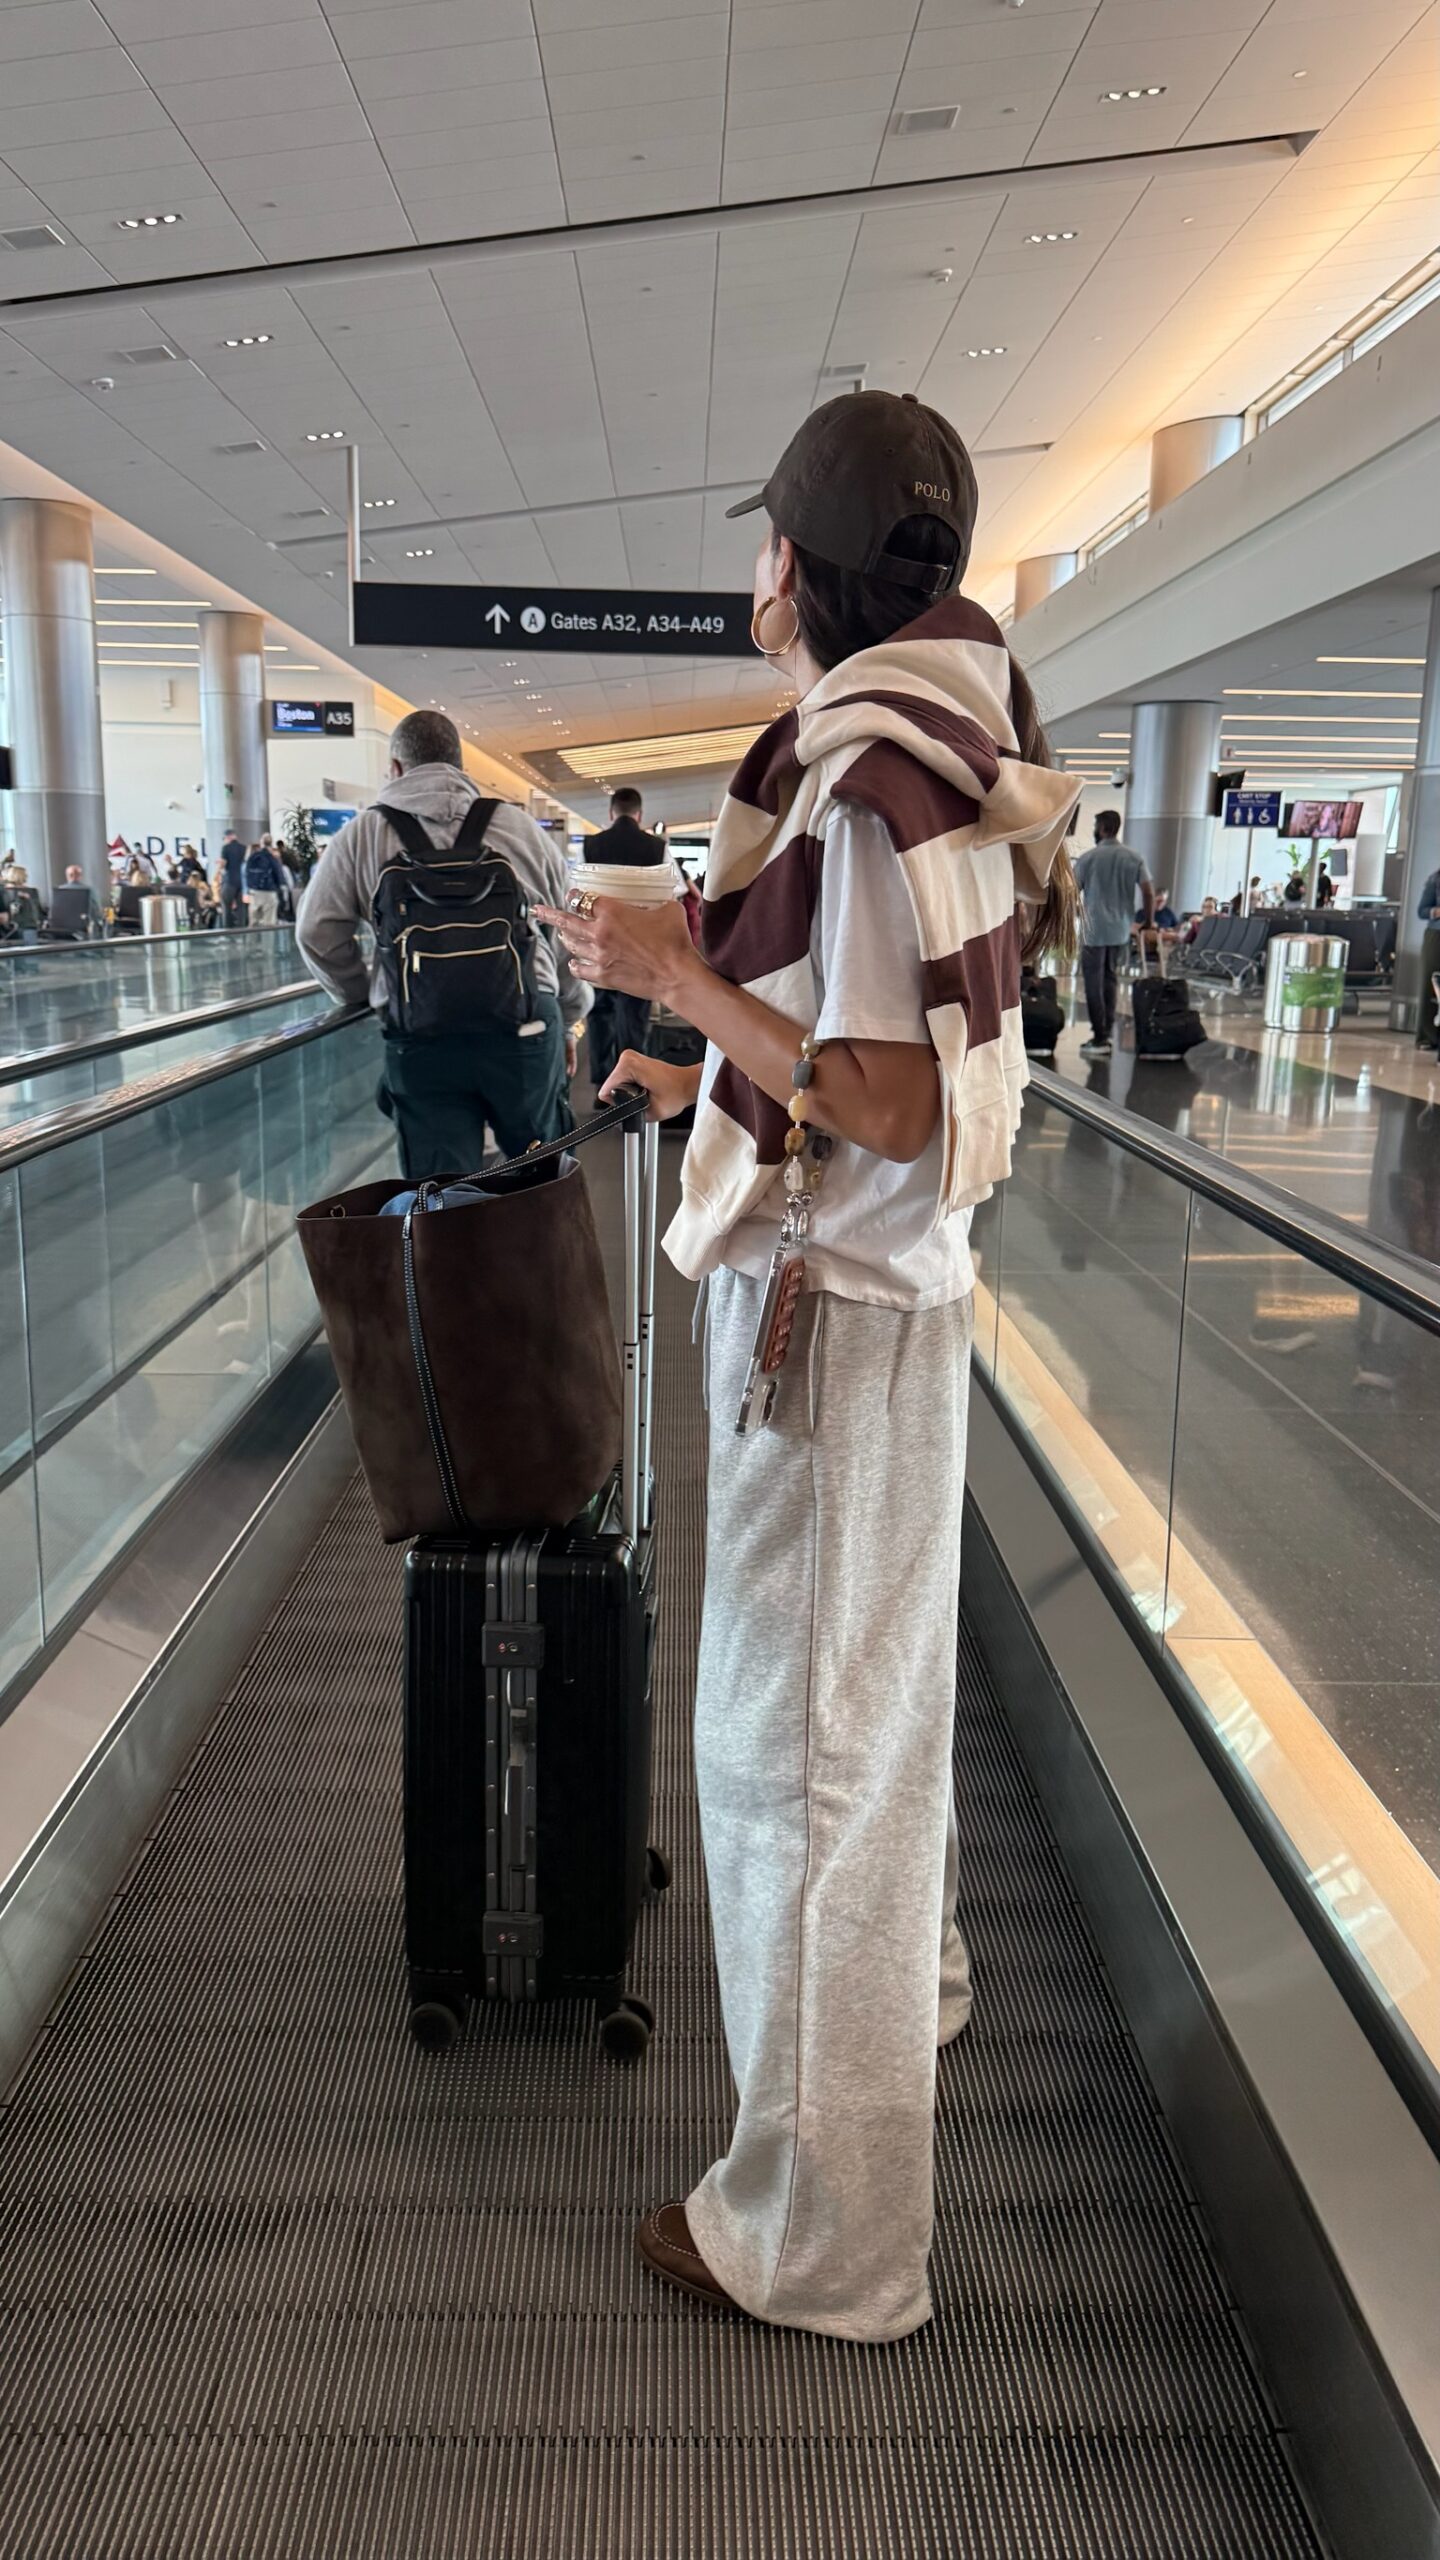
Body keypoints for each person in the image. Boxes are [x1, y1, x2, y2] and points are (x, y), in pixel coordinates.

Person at [539, 388, 1079, 2343]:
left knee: (797, 1767)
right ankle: (901, 2010)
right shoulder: (957, 725)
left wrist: (667, 972)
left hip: (829, 1336)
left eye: (763, 536)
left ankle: (830, 2238)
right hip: (885, 1316)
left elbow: (882, 1093)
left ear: (796, 563)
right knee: (875, 1737)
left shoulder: (861, 771)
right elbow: (868, 1063)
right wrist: (704, 1062)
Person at [297, 709, 590, 1175]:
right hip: (524, 1033)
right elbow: (564, 935)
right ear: (460, 767)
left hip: (421, 1039)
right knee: (543, 1183)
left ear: (395, 768)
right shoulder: (520, 830)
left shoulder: (362, 835)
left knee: (438, 1196)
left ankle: (449, 1246)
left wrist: (364, 995)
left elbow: (315, 932)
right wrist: (569, 1015)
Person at [584, 787, 669, 1086]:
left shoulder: (593, 844)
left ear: (611, 812)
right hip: (640, 944)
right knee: (633, 1016)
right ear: (639, 814)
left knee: (600, 1014)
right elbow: (666, 898)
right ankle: (630, 1083)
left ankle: (601, 1082)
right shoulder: (655, 847)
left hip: (599, 939)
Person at [1073, 810, 1153, 1057]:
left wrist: (1078, 912)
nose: (1095, 830)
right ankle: (1107, 1030)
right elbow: (1148, 891)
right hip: (1120, 930)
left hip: (1093, 929)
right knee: (1111, 979)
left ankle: (1099, 1037)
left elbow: (1070, 892)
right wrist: (1148, 922)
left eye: (1096, 825)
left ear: (1105, 827)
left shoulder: (1088, 858)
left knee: (1093, 981)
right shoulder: (1133, 857)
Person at [1416, 859, 1440, 1051]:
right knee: (1430, 985)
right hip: (1436, 936)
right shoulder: (1436, 880)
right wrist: (1436, 911)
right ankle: (1427, 1036)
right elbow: (1422, 911)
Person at [243, 839, 286, 928]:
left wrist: (247, 890)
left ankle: (252, 941)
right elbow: (278, 874)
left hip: (254, 892)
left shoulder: (252, 858)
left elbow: (246, 875)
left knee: (254, 920)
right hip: (269, 892)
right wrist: (279, 887)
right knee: (269, 922)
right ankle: (268, 941)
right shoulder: (271, 858)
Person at [216, 831, 247, 927]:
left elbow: (223, 863)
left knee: (226, 906)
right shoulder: (244, 848)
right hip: (242, 882)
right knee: (241, 908)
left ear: (228, 837)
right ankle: (242, 931)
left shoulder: (226, 848)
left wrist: (218, 868)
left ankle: (228, 931)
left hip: (230, 881)